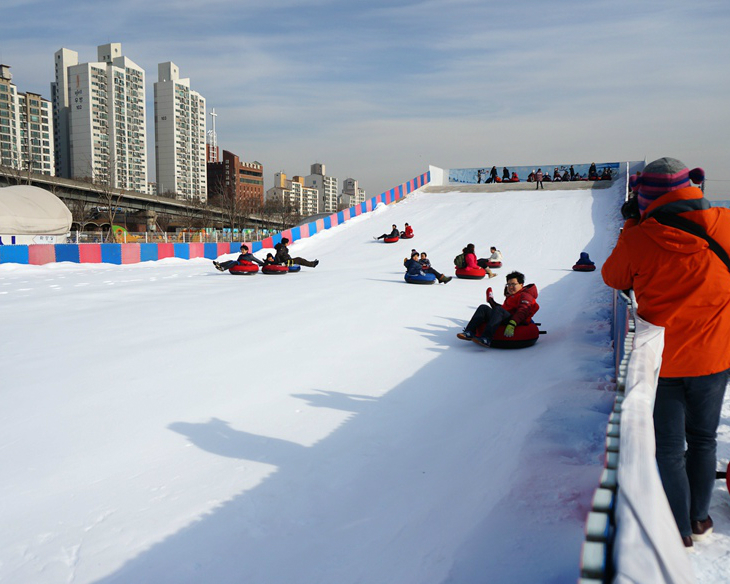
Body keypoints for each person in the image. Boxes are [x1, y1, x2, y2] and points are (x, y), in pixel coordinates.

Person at [602, 157, 730, 549]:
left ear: (645, 199)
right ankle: (699, 517)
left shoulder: (639, 237)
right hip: (715, 358)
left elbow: (613, 277)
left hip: (663, 361)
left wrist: (631, 226)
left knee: (670, 447)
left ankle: (678, 529)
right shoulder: (724, 222)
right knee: (704, 440)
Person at [457, 271, 539, 346]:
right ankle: (469, 332)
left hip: (516, 321)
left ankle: (486, 338)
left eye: (513, 284)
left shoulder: (525, 295)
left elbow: (523, 310)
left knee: (498, 310)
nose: (510, 287)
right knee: (483, 308)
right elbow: (502, 310)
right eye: (508, 284)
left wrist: (512, 323)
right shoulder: (512, 296)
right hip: (506, 317)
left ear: (521, 285)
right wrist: (491, 302)